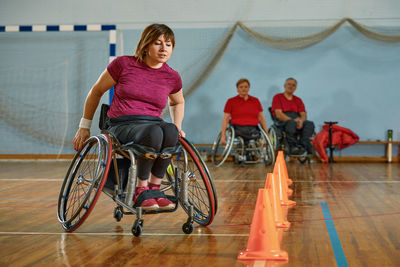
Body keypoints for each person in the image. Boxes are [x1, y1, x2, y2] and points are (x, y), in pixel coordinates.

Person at [72, 24, 184, 211]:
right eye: (158, 43)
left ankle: (154, 188)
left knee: (171, 130)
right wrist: (84, 126)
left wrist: (178, 124)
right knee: (155, 132)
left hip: (152, 124)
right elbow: (96, 91)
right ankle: (141, 189)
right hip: (122, 124)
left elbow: (177, 102)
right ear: (146, 46)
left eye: (169, 44)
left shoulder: (171, 76)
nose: (164, 48)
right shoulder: (124, 64)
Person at [220, 78, 269, 154]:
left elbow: (261, 118)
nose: (244, 89)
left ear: (249, 88)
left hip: (253, 129)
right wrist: (223, 135)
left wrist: (266, 133)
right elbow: (226, 119)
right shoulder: (231, 101)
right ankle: (245, 152)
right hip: (238, 129)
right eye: (241, 87)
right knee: (244, 136)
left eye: (246, 87)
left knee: (256, 135)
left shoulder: (255, 101)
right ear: (237, 89)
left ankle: (249, 152)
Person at [271, 77, 314, 155]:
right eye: (289, 84)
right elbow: (279, 114)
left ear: (295, 88)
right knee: (291, 123)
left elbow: (303, 114)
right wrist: (293, 121)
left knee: (309, 124)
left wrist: (301, 121)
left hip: (296, 119)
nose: (291, 86)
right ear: (284, 86)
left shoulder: (298, 100)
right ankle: (292, 146)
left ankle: (303, 146)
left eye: (293, 85)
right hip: (283, 121)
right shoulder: (277, 97)